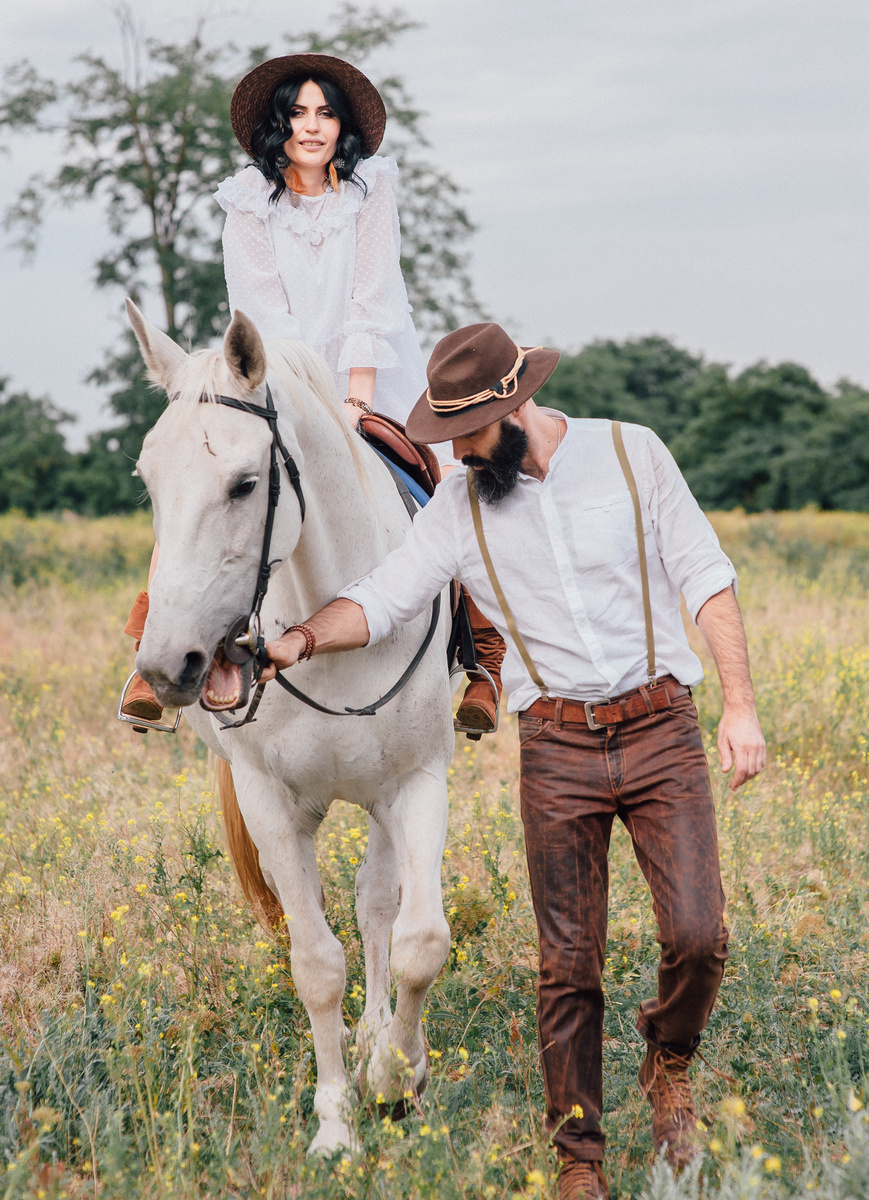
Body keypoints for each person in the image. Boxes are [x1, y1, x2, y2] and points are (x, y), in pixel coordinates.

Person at [258, 322, 767, 1200]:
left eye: (469, 433)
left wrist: (741, 706)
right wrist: (300, 637)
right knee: (568, 963)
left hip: (660, 727)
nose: (455, 452)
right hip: (557, 746)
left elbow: (704, 575)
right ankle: (580, 1159)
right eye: (446, 436)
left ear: (517, 404)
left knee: (697, 934)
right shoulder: (457, 507)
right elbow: (380, 599)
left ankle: (666, 1061)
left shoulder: (631, 455)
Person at [121, 54, 501, 731]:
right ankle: (151, 642)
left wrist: (354, 402)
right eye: (298, 112)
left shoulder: (370, 188)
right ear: (279, 124)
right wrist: (305, 394)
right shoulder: (246, 201)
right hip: (280, 370)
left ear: (342, 125)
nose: (311, 125)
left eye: (325, 112)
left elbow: (371, 298)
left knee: (447, 481)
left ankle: (480, 657)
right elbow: (263, 309)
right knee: (198, 479)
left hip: (374, 367)